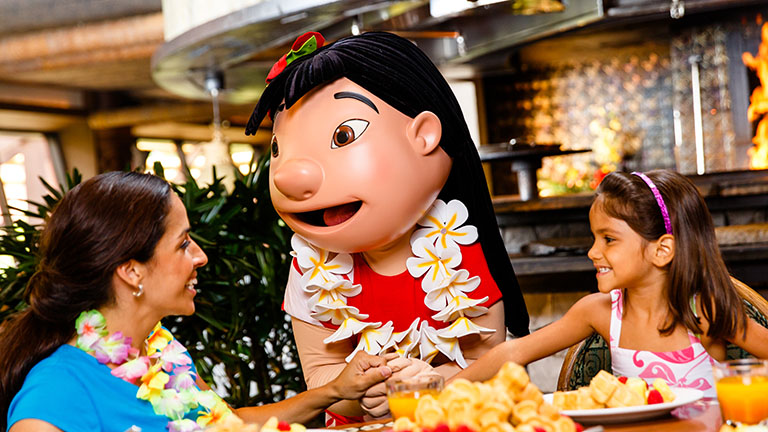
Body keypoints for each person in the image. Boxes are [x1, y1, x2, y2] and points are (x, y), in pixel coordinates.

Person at [244, 31, 529, 424]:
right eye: (279, 148)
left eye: (344, 135)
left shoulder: (459, 245)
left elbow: (491, 366)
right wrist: (363, 395)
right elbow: (320, 378)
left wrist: (432, 385)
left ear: (424, 135)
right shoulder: (310, 267)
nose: (291, 177)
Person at [0, 171, 397, 432]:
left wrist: (338, 390)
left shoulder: (162, 349)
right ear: (131, 271)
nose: (200, 256)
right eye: (183, 243)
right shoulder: (56, 391)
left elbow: (225, 423)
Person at [456, 170, 768, 396]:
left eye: (608, 239)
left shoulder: (704, 310)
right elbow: (512, 353)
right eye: (594, 238)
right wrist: (439, 389)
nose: (593, 251)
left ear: (662, 250)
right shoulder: (600, 312)